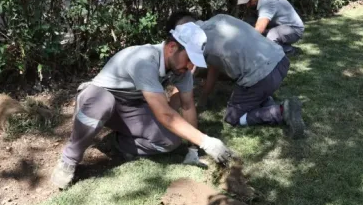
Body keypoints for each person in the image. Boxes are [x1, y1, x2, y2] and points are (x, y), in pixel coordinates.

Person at [51, 23, 236, 190]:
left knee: (171, 141)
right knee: (103, 102)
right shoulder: (144, 60)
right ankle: (69, 159)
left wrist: (193, 149)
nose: (190, 66)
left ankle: (120, 143)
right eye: (189, 58)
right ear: (172, 47)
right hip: (97, 99)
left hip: (131, 107)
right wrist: (206, 141)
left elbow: (187, 106)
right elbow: (166, 115)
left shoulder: (181, 71)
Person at [167, 12, 305, 138]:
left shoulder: (195, 43)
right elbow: (214, 68)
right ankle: (265, 101)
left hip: (263, 76)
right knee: (248, 83)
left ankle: (280, 111)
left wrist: (169, 115)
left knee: (233, 118)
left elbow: (184, 82)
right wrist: (204, 97)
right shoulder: (219, 18)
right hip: (281, 61)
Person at [236, 0, 305, 55]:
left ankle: (289, 50)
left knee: (270, 37)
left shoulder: (267, 2)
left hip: (294, 29)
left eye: (249, 1)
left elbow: (259, 29)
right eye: (245, 2)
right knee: (250, 24)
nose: (247, 5)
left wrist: (244, 47)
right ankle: (279, 45)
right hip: (279, 26)